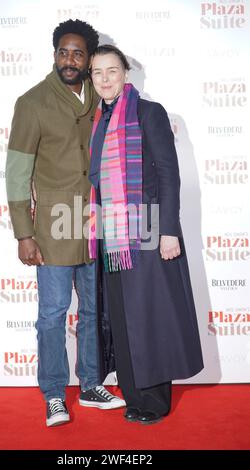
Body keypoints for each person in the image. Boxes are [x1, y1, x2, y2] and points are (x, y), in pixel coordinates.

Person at [5, 22, 125, 428]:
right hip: (54, 227)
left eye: (77, 54)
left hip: (95, 223)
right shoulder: (33, 102)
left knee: (93, 311)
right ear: (54, 54)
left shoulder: (102, 96)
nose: (69, 61)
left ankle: (91, 384)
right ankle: (54, 394)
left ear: (89, 57)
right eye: (62, 52)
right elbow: (17, 173)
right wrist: (24, 233)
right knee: (53, 314)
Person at [88, 45, 204, 425]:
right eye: (98, 73)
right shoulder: (100, 121)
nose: (105, 79)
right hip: (115, 234)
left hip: (151, 231)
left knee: (151, 315)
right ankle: (134, 395)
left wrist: (170, 230)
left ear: (126, 74)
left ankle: (154, 401)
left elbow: (170, 174)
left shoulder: (148, 113)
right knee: (124, 318)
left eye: (112, 71)